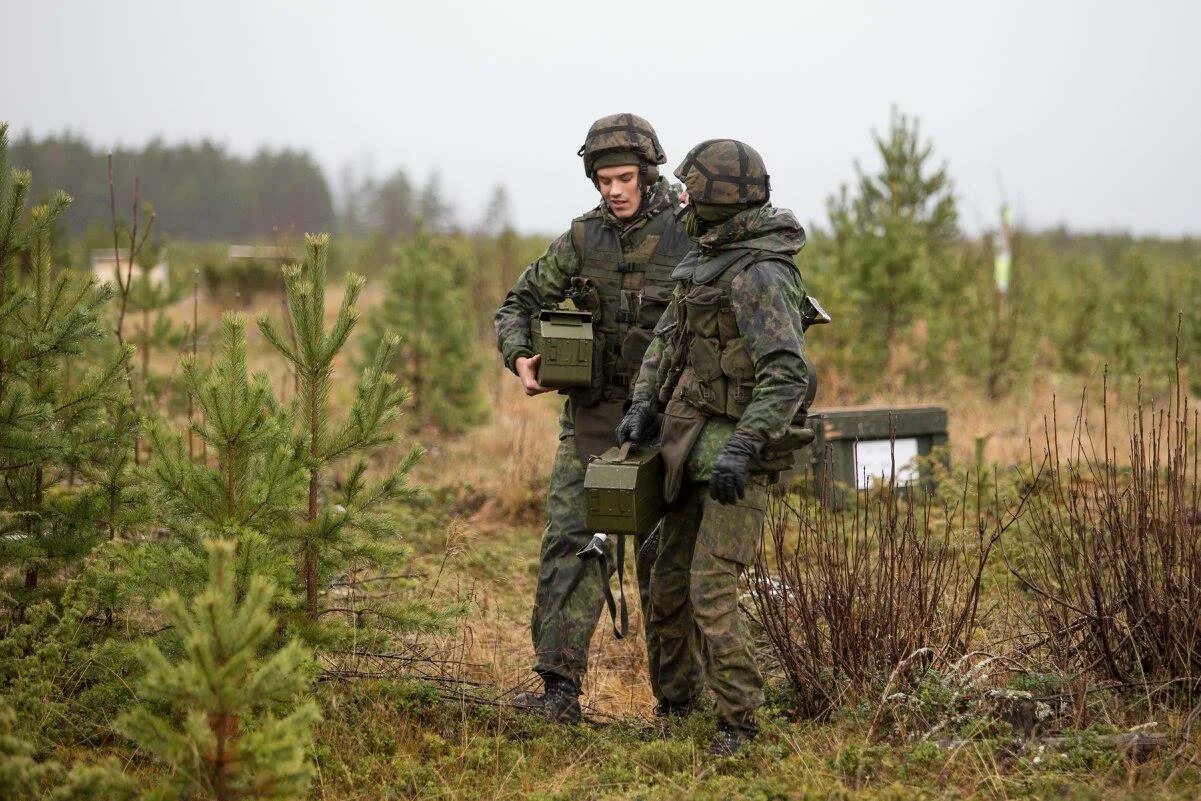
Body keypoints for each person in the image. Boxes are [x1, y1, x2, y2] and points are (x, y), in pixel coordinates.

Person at [494, 114, 697, 723]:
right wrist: (520, 356)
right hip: (594, 420)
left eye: (626, 178)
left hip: (668, 424)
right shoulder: (582, 239)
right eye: (604, 180)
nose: (615, 191)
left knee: (665, 561)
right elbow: (519, 303)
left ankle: (681, 704)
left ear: (649, 173)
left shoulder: (689, 230)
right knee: (572, 542)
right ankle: (559, 690)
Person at [618, 138, 814, 755]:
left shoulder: (759, 272)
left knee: (712, 589)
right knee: (665, 586)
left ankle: (740, 724)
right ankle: (676, 708)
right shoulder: (702, 262)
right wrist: (642, 405)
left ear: (719, 201)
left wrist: (746, 447)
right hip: (686, 446)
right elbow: (666, 345)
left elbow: (787, 374)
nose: (681, 200)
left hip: (734, 462)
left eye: (692, 191)